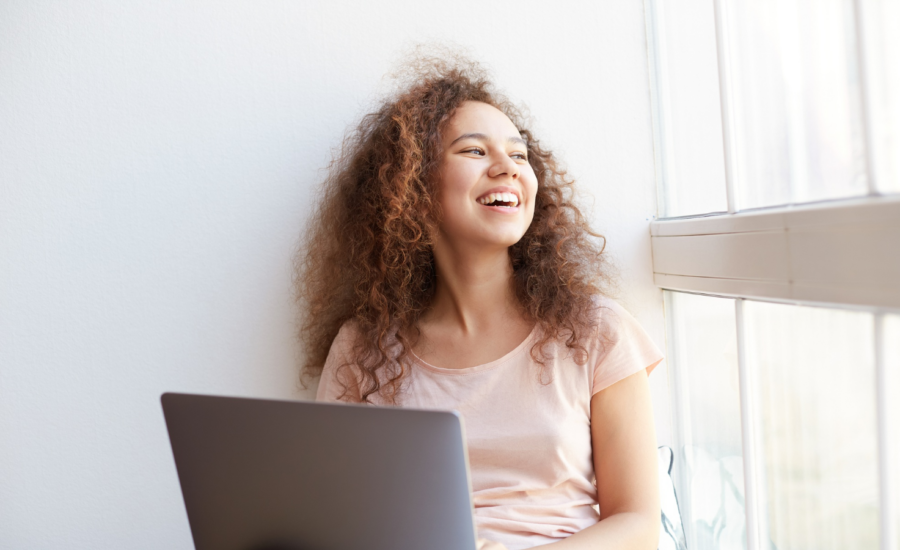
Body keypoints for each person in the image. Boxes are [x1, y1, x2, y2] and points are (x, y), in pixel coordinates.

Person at [295, 53, 663, 550]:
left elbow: (638, 527)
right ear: (413, 188)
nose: (507, 169)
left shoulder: (597, 331)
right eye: (474, 151)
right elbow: (332, 518)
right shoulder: (363, 348)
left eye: (519, 155)